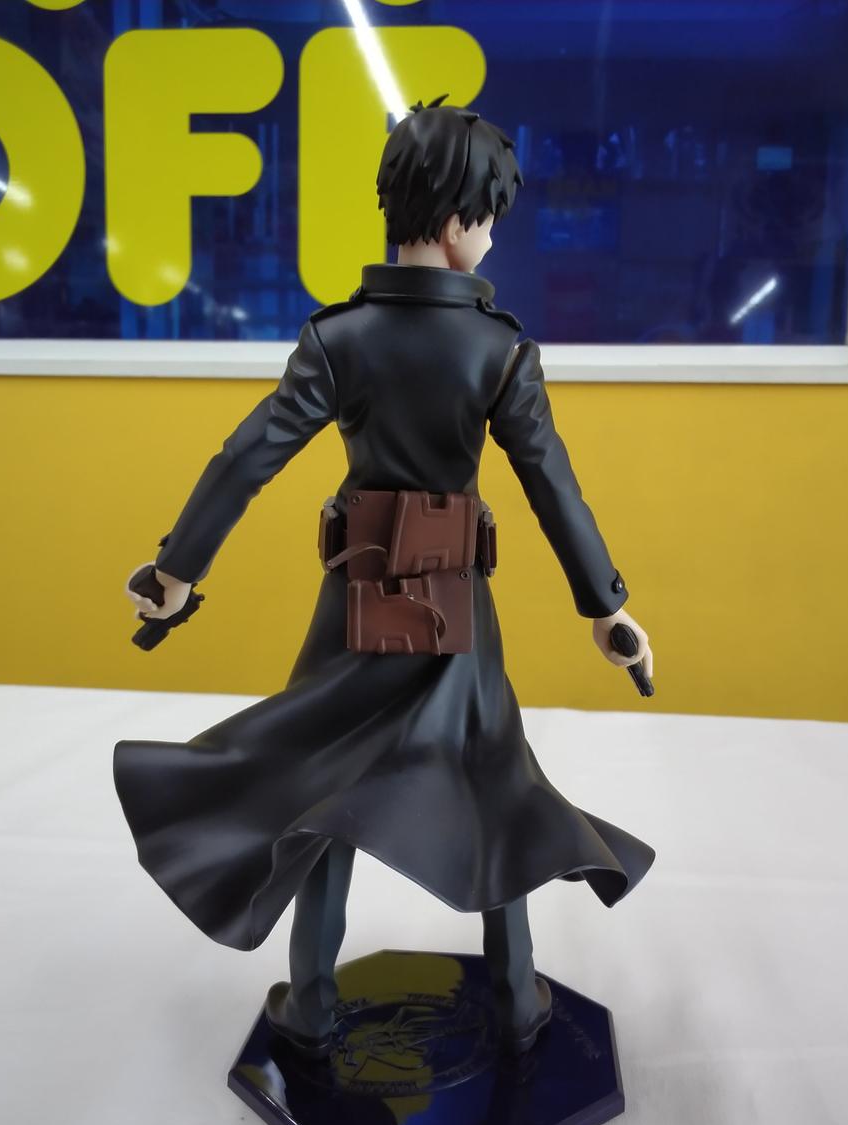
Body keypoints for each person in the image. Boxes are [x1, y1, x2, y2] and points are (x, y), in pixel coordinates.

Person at [114, 97, 655, 1059]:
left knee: (330, 788)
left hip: (356, 603)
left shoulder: (342, 338)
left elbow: (247, 457)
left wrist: (176, 571)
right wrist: (606, 607)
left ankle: (315, 1000)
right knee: (494, 783)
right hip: (456, 614)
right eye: (487, 219)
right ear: (452, 219)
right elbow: (552, 486)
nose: (491, 238)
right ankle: (516, 997)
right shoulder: (498, 349)